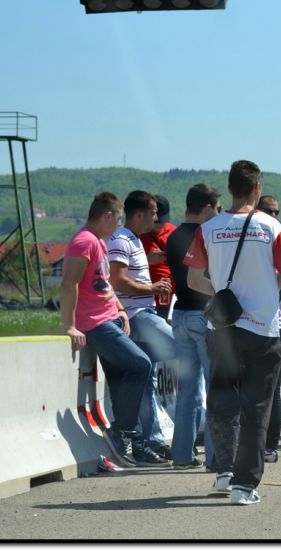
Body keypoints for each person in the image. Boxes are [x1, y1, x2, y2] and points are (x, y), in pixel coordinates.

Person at [185, 160, 281, 506]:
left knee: (222, 403)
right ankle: (244, 486)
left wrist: (223, 292)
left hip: (221, 329)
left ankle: (223, 472)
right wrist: (261, 290)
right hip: (262, 329)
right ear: (257, 188)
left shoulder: (208, 228)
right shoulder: (271, 227)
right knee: (257, 408)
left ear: (231, 189)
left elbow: (193, 280)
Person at [59, 192, 152, 468]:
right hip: (95, 324)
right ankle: (122, 430)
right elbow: (68, 284)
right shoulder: (83, 242)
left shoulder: (99, 241)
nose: (119, 224)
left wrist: (121, 309)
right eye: (118, 219)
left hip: (109, 318)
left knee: (123, 374)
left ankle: (124, 435)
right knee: (141, 365)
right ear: (108, 216)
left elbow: (104, 284)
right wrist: (70, 326)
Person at [108, 190, 178, 466]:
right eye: (153, 212)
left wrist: (153, 261)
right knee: (184, 348)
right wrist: (152, 287)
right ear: (139, 214)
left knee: (148, 380)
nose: (157, 217)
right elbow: (117, 280)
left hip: (143, 312)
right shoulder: (122, 240)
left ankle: (151, 441)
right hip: (137, 314)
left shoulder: (133, 240)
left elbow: (128, 269)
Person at [165, 183, 221, 469]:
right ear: (208, 208)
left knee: (187, 391)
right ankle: (215, 457)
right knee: (215, 389)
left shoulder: (172, 236)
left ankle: (182, 455)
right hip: (203, 314)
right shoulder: (205, 235)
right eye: (218, 209)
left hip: (181, 315)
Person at [256, 194, 281, 464]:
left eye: (277, 212)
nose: (274, 216)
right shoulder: (267, 245)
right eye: (269, 211)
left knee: (271, 393)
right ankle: (261, 446)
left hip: (272, 329)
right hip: (262, 328)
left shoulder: (278, 243)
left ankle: (269, 447)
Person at [139, 195, 177, 321]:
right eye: (157, 222)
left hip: (170, 298)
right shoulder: (139, 234)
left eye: (162, 221)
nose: (160, 225)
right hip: (145, 300)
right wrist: (149, 260)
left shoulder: (174, 232)